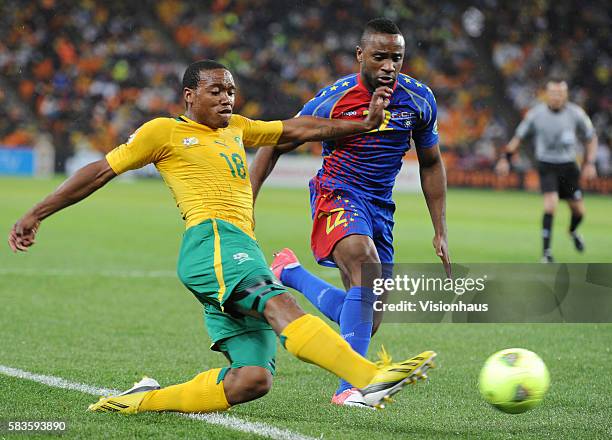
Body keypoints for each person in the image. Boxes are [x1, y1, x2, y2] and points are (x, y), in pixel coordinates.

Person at [8, 60, 436, 414]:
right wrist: (36, 213)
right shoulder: (163, 132)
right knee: (278, 304)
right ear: (189, 95)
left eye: (230, 90)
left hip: (239, 247)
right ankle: (367, 378)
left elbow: (298, 129)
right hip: (212, 241)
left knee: (252, 380)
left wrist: (363, 123)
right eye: (216, 90)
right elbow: (100, 171)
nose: (226, 98)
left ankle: (138, 402)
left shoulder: (239, 128)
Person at [249, 19, 449, 407]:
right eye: (380, 57)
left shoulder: (419, 100)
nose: (389, 66)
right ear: (360, 56)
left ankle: (289, 272)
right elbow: (276, 141)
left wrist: (439, 230)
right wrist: (247, 202)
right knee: (363, 262)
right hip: (336, 194)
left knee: (364, 319)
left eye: (397, 58)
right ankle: (350, 388)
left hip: (380, 207)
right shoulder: (333, 99)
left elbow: (431, 161)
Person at [496, 77, 598, 263]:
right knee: (550, 204)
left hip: (568, 167)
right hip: (547, 165)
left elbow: (591, 137)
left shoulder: (576, 114)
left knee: (579, 211)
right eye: (553, 93)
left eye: (560, 93)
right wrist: (505, 158)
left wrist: (590, 162)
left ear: (565, 94)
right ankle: (546, 254)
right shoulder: (536, 114)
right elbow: (518, 137)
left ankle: (573, 231)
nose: (557, 96)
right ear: (547, 94)